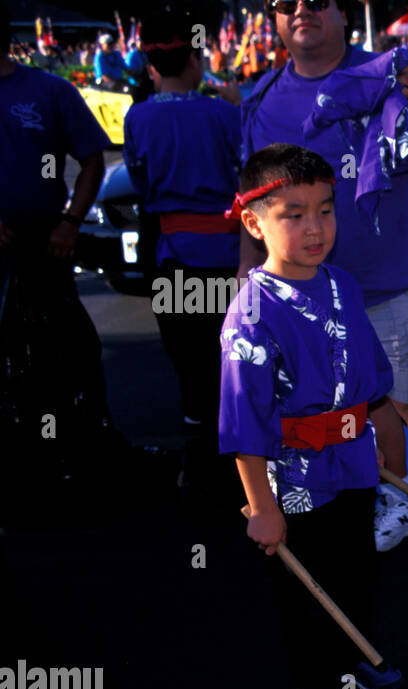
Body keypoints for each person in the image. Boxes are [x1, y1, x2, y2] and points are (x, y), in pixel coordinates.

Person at [240, 0, 408, 552]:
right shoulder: (261, 102)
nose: (300, 10)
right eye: (283, 4)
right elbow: (253, 211)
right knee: (362, 411)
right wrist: (247, 290)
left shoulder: (392, 75)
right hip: (312, 298)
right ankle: (398, 499)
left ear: (343, 13)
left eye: (316, 1)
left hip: (400, 283)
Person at [221, 144, 403, 689]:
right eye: (292, 214)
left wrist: (368, 439)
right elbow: (244, 423)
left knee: (355, 567)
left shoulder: (342, 284)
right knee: (307, 583)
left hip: (350, 461)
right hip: (292, 477)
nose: (315, 227)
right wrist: (262, 508)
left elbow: (367, 377)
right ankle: (313, 685)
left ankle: (352, 654)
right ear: (254, 221)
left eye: (325, 210)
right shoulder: (252, 315)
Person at [0, 3, 122, 515]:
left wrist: (70, 222)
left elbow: (91, 159)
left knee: (73, 350)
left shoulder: (48, 91)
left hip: (46, 242)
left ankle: (84, 447)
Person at [124, 11, 243, 435]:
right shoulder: (225, 114)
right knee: (233, 361)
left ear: (153, 68)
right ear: (195, 60)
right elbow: (250, 174)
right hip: (230, 258)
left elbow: (140, 183)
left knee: (189, 364)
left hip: (173, 258)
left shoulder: (137, 118)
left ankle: (198, 456)